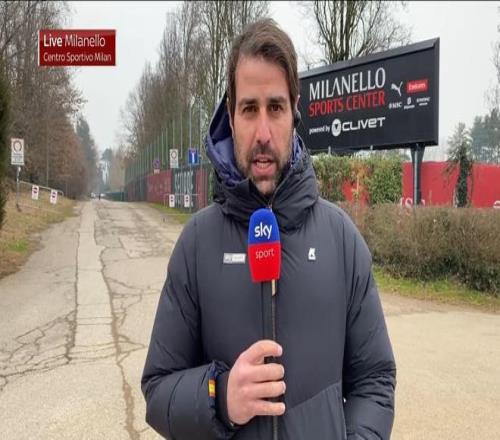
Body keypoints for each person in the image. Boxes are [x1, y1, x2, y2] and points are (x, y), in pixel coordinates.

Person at [142, 18, 396, 440]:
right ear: (231, 116)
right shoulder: (197, 244)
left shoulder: (341, 240)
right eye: (249, 109)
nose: (262, 133)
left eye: (275, 108)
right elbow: (157, 390)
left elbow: (375, 380)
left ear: (294, 111)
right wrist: (219, 397)